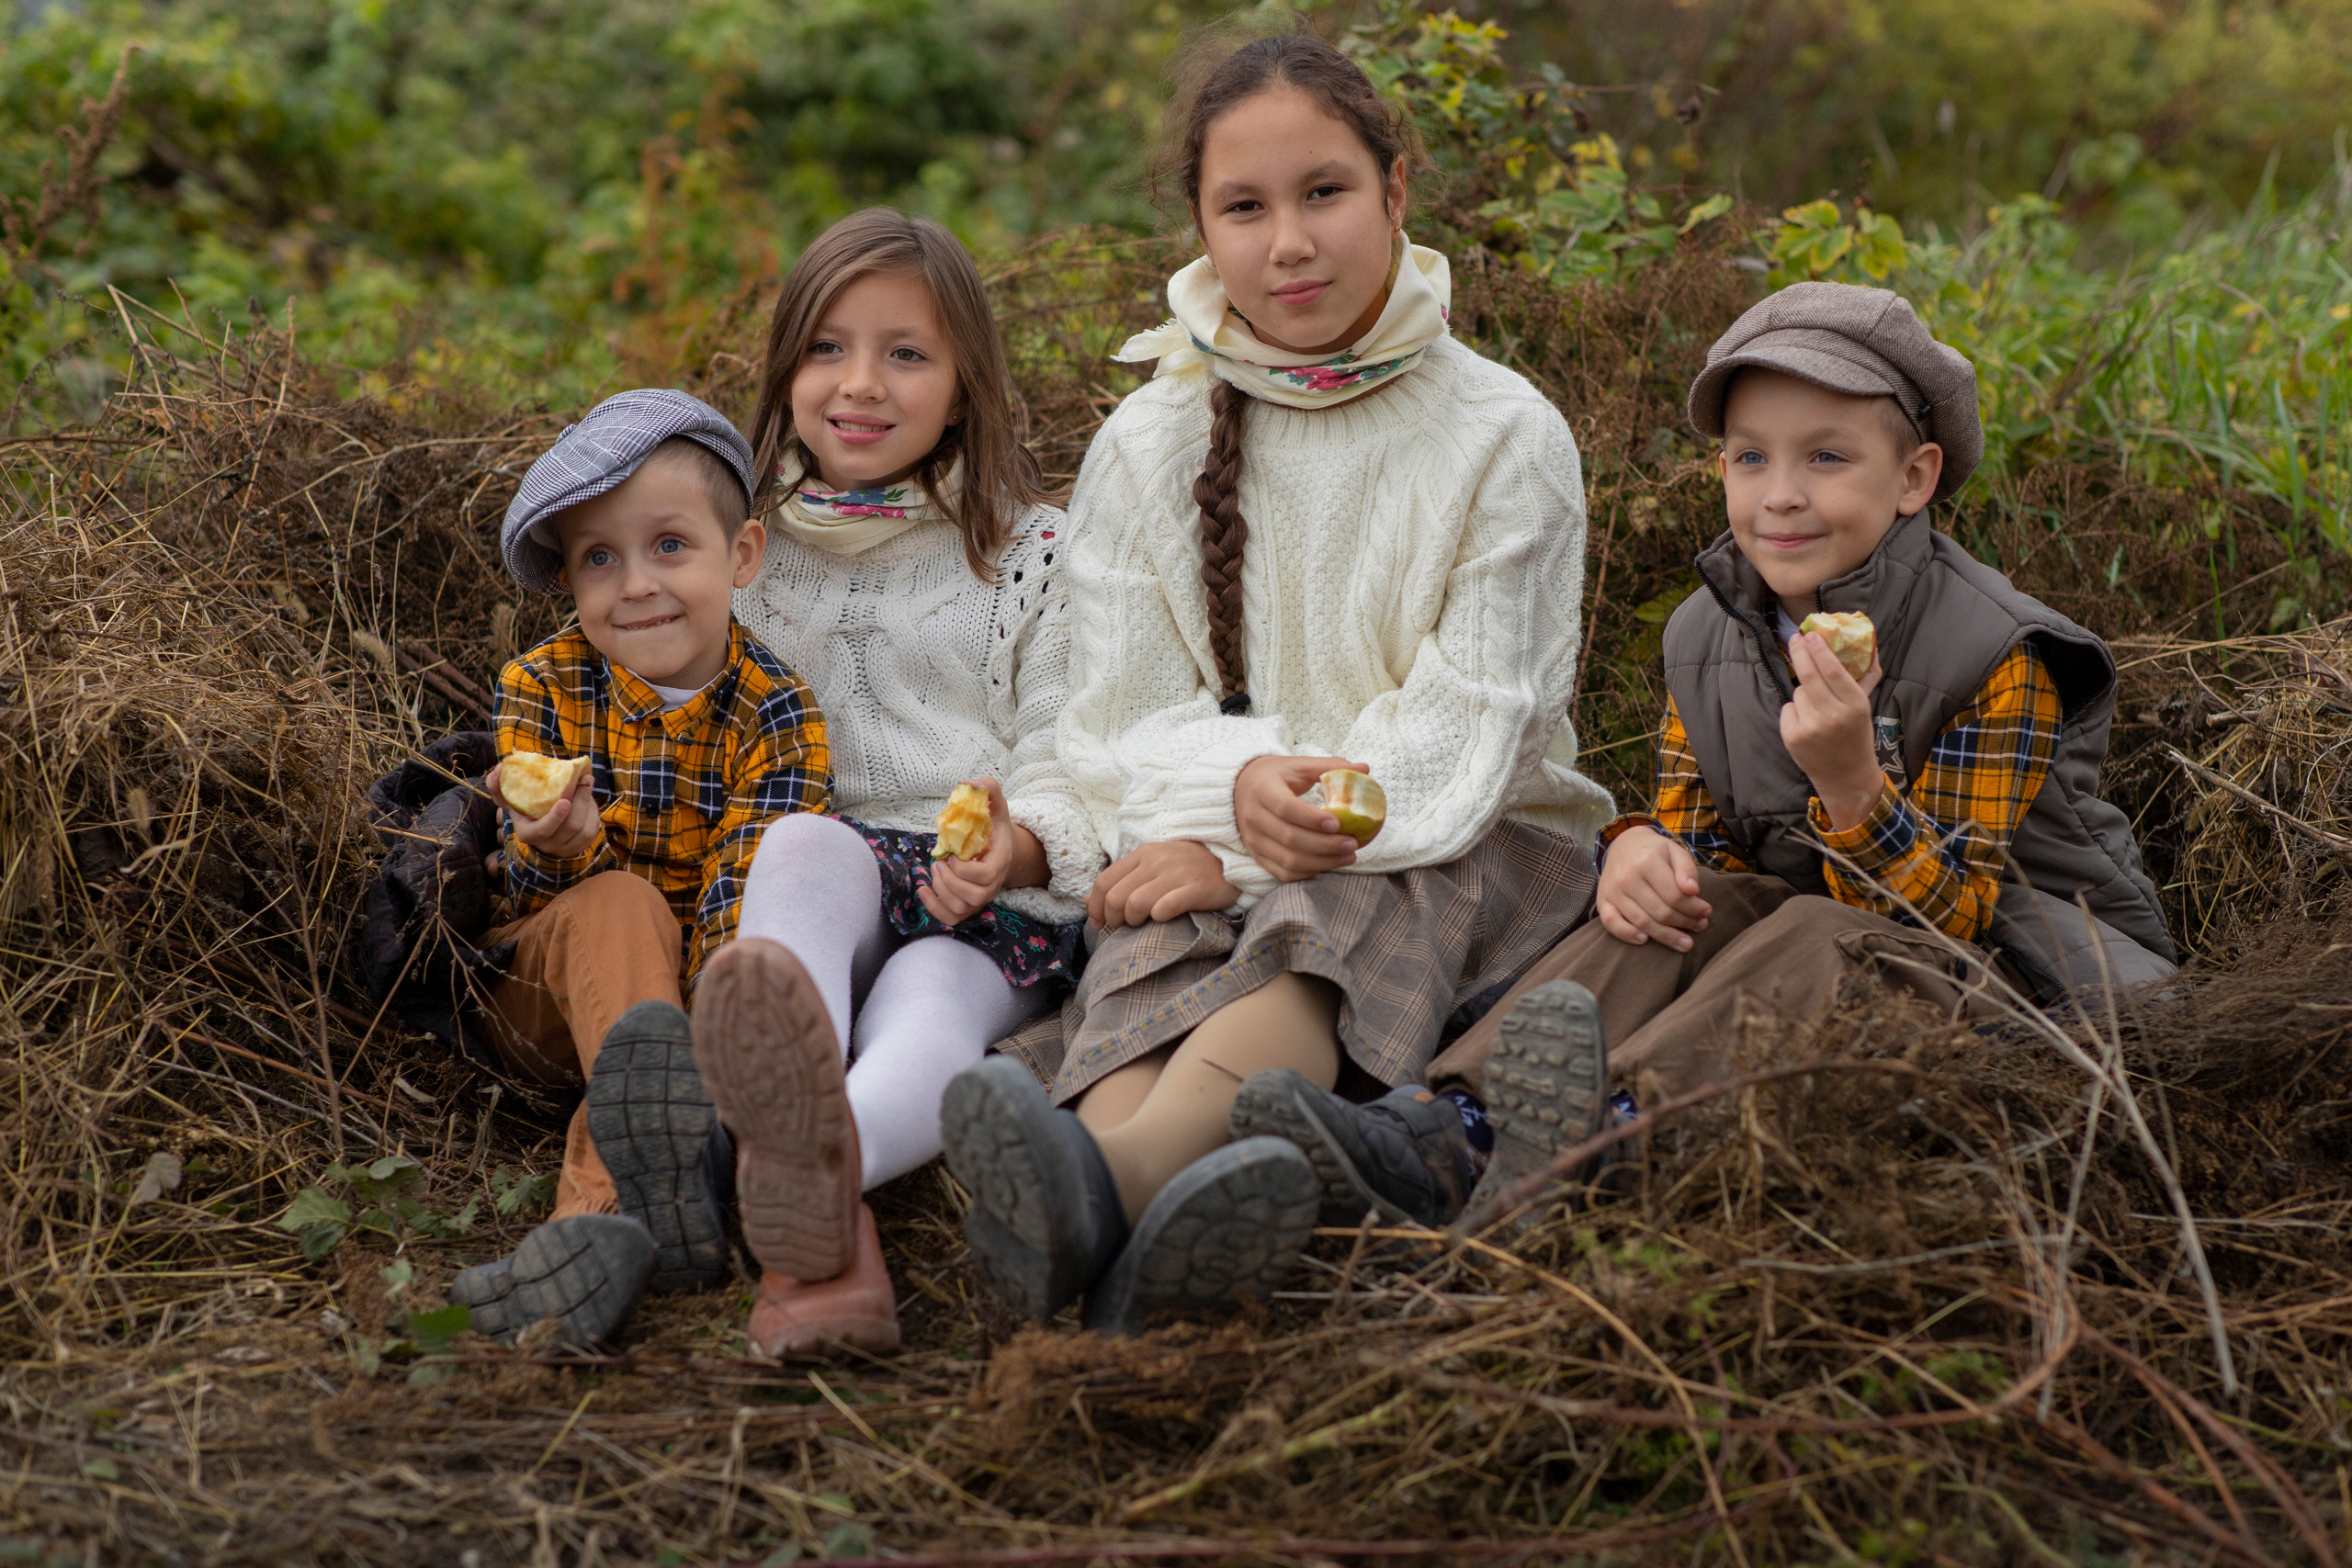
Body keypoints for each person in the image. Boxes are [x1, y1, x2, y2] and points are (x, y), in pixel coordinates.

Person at [1241, 280, 2180, 1231]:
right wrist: (1646, 850)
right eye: (1749, 457)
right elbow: (1716, 863)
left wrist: (1852, 783)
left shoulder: (1994, 650)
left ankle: (1604, 1135)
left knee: (1818, 931)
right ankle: (1449, 1128)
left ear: (1914, 478)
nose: (1780, 494)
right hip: (1827, 959)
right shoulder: (1705, 634)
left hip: (2040, 991)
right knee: (1667, 917)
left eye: (1826, 457)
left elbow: (1953, 920)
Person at [934, 30, 1614, 1336]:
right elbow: (1110, 721)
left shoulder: (1505, 434)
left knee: (1332, 907)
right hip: (1210, 831)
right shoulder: (1152, 439)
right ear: (1199, 226)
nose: (1289, 243)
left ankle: (1110, 1188)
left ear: (1398, 193)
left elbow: (1464, 735)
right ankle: (1140, 1237)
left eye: (1326, 193)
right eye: (1245, 207)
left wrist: (1247, 845)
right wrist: (1219, 811)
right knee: (1141, 940)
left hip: (1455, 847)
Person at [694, 208, 1094, 1359]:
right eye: (826, 347)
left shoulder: (1028, 552)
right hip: (815, 893)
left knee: (931, 997)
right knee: (803, 847)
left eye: (907, 354)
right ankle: (806, 1159)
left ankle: (810, 1186)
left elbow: (1071, 748)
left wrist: (1017, 849)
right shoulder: (745, 546)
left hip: (979, 901)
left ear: (965, 386)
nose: (859, 384)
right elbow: (694, 712)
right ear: (783, 371)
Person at [448, 389, 832, 1348]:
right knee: (619, 903)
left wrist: (701, 1048)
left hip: (677, 1033)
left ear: (740, 555)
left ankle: (589, 1235)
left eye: (669, 545)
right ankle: (671, 1174)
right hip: (536, 997)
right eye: (598, 559)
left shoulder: (775, 712)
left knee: (679, 991)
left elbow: (742, 908)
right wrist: (560, 844)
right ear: (571, 580)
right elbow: (516, 896)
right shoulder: (541, 686)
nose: (636, 585)